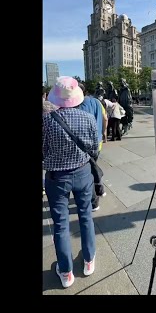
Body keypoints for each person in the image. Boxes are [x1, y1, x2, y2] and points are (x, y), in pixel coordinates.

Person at [43, 76, 98, 288]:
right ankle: (89, 260)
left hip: (57, 177)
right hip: (83, 173)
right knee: (85, 216)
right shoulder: (87, 118)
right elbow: (94, 148)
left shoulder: (47, 120)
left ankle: (65, 273)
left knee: (61, 224)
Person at [77, 83, 108, 211]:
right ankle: (100, 189)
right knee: (93, 166)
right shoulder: (96, 101)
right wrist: (104, 133)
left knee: (88, 171)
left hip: (85, 145)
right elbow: (105, 118)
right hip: (98, 143)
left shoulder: (79, 106)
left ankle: (94, 201)